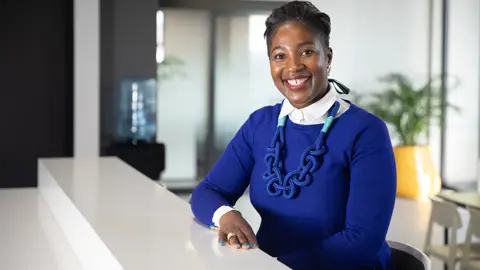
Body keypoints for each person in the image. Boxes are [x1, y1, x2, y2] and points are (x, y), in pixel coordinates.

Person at [190, 1, 397, 269]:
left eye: (307, 52)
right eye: (280, 56)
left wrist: (276, 265)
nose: (293, 67)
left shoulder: (366, 131)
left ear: (328, 58)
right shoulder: (260, 124)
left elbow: (363, 241)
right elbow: (207, 192)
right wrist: (225, 215)